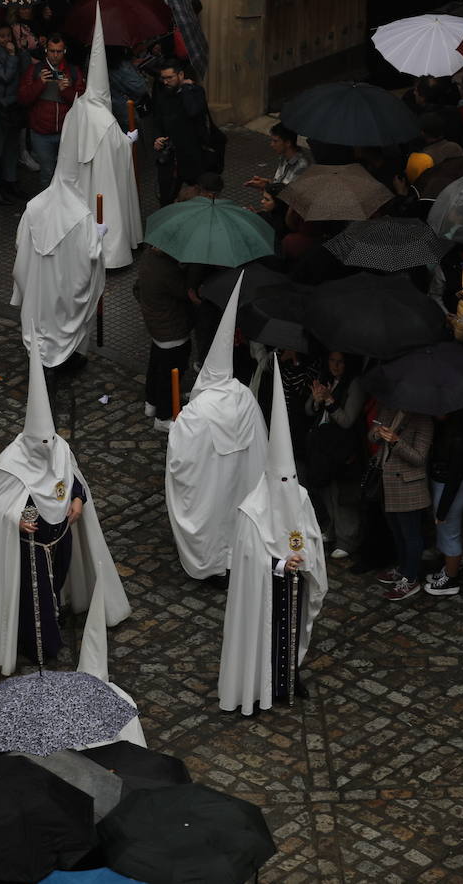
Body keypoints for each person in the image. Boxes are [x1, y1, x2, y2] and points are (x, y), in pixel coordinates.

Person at [0, 349, 130, 674]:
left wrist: (77, 499)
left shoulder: (59, 448)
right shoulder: (10, 464)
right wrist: (17, 519)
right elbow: (4, 503)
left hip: (61, 535)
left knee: (54, 585)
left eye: (50, 441)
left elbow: (71, 478)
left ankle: (53, 622)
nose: (47, 449)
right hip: (32, 542)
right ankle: (43, 645)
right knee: (37, 596)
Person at [219, 356, 328, 715]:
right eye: (281, 481)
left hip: (295, 583)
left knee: (290, 634)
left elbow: (310, 533)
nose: (287, 488)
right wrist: (281, 563)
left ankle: (289, 675)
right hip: (266, 588)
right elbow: (249, 558)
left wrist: (305, 559)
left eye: (291, 480)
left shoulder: (298, 495)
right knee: (264, 634)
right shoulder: (252, 510)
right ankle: (258, 684)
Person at [166, 276, 269, 581]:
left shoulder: (199, 410)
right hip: (242, 480)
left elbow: (182, 457)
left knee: (215, 521)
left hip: (213, 483)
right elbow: (262, 440)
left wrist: (177, 427)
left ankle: (214, 567)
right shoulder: (246, 398)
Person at [52, 7, 142, 268]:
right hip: (104, 177)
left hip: (81, 175)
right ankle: (112, 253)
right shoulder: (105, 118)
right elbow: (119, 146)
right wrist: (129, 139)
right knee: (107, 207)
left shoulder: (77, 109)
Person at [11, 143, 107, 372]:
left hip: (37, 286)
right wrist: (98, 233)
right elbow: (92, 255)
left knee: (40, 319)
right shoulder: (81, 217)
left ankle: (42, 362)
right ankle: (68, 359)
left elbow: (19, 242)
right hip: (64, 288)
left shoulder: (33, 207)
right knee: (66, 319)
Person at [301, 350, 365, 560]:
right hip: (322, 445)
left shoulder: (355, 384)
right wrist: (318, 400)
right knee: (324, 488)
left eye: (340, 362)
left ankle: (347, 538)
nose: (335, 366)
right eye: (332, 361)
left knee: (341, 493)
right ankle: (331, 527)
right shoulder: (325, 379)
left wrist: (329, 401)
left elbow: (347, 420)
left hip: (342, 447)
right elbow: (309, 410)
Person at [370, 406, 433, 601]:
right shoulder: (388, 410)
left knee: (411, 535)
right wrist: (376, 433)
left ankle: (411, 578)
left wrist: (396, 441)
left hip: (408, 487)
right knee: (397, 532)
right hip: (387, 484)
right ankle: (402, 568)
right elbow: (371, 438)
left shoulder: (423, 420)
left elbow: (419, 457)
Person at [133, 245, 191, 429]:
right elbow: (184, 292)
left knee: (156, 365)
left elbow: (137, 288)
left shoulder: (148, 257)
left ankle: (151, 402)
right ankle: (164, 415)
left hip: (156, 326)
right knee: (171, 372)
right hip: (172, 329)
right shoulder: (166, 269)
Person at [17, 34, 84, 190]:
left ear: (64, 51)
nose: (55, 55)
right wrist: (40, 83)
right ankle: (49, 211)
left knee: (69, 173)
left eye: (59, 51)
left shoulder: (73, 71)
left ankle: (67, 206)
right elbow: (22, 98)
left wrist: (66, 90)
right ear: (46, 51)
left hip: (66, 133)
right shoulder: (35, 70)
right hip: (41, 133)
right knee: (47, 173)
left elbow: (83, 101)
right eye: (52, 51)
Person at [423, 406, 463, 596]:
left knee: (450, 534)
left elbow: (455, 478)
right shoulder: (445, 430)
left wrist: (442, 510)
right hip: (443, 484)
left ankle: (451, 579)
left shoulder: (458, 439)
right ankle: (448, 570)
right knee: (446, 533)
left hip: (450, 488)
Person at [145, 59, 210, 206]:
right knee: (166, 198)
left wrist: (185, 90)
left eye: (170, 78)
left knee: (198, 198)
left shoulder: (195, 91)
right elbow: (157, 121)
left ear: (180, 75)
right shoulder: (162, 94)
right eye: (163, 78)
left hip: (192, 156)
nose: (166, 82)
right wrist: (157, 138)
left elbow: (193, 111)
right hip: (169, 157)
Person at [0, 25, 29, 205]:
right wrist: (11, 57)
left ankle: (10, 181)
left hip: (14, 106)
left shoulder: (14, 52)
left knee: (12, 147)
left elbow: (25, 72)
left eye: (8, 35)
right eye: (1, 36)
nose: (6, 39)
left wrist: (22, 52)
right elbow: (4, 76)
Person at [146, 0, 208, 83]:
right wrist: (153, 43)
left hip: (180, 35)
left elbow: (197, 6)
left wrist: (183, 1)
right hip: (162, 39)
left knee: (184, 74)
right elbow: (148, 18)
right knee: (165, 78)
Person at [245, 124, 311, 190]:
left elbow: (288, 193)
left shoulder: (302, 165)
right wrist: (267, 184)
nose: (272, 144)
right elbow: (280, 183)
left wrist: (266, 187)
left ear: (288, 143)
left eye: (275, 141)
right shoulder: (284, 157)